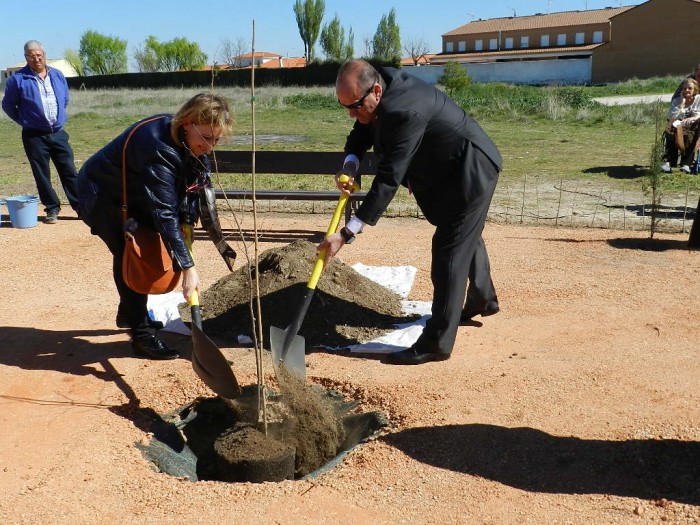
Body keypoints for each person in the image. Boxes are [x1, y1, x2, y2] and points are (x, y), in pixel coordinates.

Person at [318, 59, 502, 366]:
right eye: (344, 106)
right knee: (462, 233)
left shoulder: (403, 110)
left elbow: (389, 176)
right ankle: (483, 298)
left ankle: (437, 342)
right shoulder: (378, 93)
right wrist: (350, 164)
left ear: (375, 91)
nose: (351, 113)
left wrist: (347, 233)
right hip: (446, 169)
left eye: (354, 105)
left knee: (449, 248)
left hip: (470, 170)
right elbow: (361, 130)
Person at [77, 93, 236, 360]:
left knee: (135, 253)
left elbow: (190, 189)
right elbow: (163, 212)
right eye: (206, 138)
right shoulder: (157, 146)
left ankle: (130, 313)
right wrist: (189, 268)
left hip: (135, 195)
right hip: (103, 196)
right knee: (132, 254)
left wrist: (188, 222)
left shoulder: (188, 142)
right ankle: (141, 335)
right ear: (187, 123)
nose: (210, 146)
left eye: (217, 140)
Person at [1, 40, 80, 224]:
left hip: (58, 132)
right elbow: (8, 105)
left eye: (39, 55)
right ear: (26, 57)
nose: (36, 59)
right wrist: (24, 120)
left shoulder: (58, 75)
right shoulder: (17, 79)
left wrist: (58, 117)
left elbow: (65, 99)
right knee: (42, 173)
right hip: (34, 135)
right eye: (32, 56)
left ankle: (80, 207)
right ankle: (52, 208)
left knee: (69, 171)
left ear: (44, 55)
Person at [661, 78, 700, 174]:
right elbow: (671, 116)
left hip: (693, 126)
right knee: (671, 132)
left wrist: (693, 118)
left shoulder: (698, 99)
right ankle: (669, 162)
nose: (687, 90)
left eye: (689, 88)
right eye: (684, 88)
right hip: (678, 126)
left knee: (692, 135)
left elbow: (699, 113)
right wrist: (682, 103)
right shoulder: (677, 100)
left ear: (694, 89)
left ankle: (686, 164)